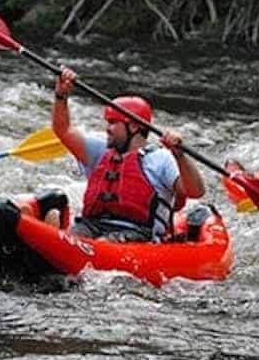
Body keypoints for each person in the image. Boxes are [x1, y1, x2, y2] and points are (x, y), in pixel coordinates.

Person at [52, 67, 206, 243]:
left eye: (113, 123)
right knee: (71, 238)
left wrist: (180, 156)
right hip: (92, 225)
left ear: (133, 127)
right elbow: (63, 130)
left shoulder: (160, 159)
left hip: (139, 233)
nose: (107, 128)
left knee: (104, 243)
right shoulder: (100, 150)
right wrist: (61, 96)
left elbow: (195, 191)